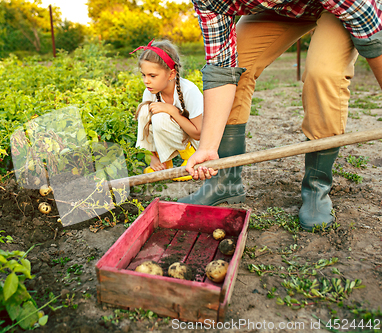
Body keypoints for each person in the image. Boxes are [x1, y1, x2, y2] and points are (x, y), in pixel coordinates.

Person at [178, 0, 382, 231]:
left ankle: (317, 187)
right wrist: (207, 147)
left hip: (342, 8)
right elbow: (222, 68)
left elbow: (373, 40)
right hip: (281, 8)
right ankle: (224, 181)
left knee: (323, 72)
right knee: (239, 63)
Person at [131, 39, 204, 181]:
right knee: (145, 111)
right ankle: (162, 160)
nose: (146, 81)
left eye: (152, 76)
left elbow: (198, 134)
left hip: (195, 140)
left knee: (159, 117)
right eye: (143, 75)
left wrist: (172, 110)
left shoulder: (189, 91)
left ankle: (190, 156)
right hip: (176, 134)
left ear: (171, 74)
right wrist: (151, 157)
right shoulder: (150, 91)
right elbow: (144, 125)